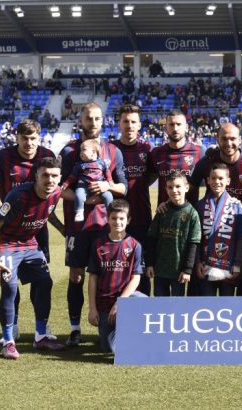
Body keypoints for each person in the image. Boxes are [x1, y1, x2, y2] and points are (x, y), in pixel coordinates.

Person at [0, 119, 62, 345]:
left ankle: (41, 327)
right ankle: (14, 323)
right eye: (24, 138)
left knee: (41, 279)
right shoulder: (3, 157)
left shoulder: (47, 155)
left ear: (40, 138)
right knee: (11, 281)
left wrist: (63, 228)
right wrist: (5, 212)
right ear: (16, 137)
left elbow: (54, 197)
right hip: (10, 228)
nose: (29, 143)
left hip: (37, 231)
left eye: (33, 139)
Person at [60, 102, 128, 347]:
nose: (93, 123)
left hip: (105, 228)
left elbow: (123, 188)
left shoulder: (113, 151)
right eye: (89, 118)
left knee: (108, 277)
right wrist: (88, 198)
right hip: (78, 228)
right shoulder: (69, 152)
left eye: (97, 118)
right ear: (81, 121)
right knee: (76, 276)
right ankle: (75, 329)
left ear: (103, 121)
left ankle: (112, 327)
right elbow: (59, 190)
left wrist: (107, 187)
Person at [189, 123, 242, 296]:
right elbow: (191, 189)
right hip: (209, 228)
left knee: (241, 273)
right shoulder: (208, 161)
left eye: (232, 138)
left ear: (240, 139)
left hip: (239, 226)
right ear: (217, 139)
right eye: (224, 138)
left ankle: (241, 316)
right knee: (204, 277)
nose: (228, 143)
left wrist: (238, 206)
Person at [87, 200, 144, 353]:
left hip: (125, 301)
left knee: (142, 300)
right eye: (114, 218)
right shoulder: (98, 245)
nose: (117, 222)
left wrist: (120, 303)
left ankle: (133, 331)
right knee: (109, 349)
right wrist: (92, 308)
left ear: (128, 220)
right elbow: (93, 278)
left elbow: (136, 277)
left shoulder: (135, 245)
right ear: (107, 218)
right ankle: (114, 331)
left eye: (121, 218)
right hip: (105, 303)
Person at [113, 104, 154, 296]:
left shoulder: (147, 149)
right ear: (119, 124)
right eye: (125, 121)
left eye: (133, 122)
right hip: (117, 220)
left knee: (143, 269)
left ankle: (142, 314)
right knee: (117, 269)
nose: (129, 125)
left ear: (139, 125)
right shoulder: (111, 149)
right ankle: (116, 316)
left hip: (142, 218)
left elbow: (152, 175)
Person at [146, 171, 201, 297]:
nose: (174, 190)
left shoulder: (192, 214)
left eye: (178, 186)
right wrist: (149, 264)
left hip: (178, 272)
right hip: (160, 270)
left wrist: (187, 270)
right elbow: (152, 238)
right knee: (160, 304)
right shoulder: (162, 211)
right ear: (166, 189)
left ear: (186, 188)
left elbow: (194, 244)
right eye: (170, 187)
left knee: (177, 307)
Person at [195, 163, 242, 296]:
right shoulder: (200, 206)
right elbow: (195, 238)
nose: (217, 181)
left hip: (228, 266)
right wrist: (197, 261)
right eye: (213, 178)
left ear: (228, 181)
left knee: (226, 306)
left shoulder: (235, 206)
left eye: (221, 178)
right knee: (207, 306)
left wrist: (237, 264)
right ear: (208, 180)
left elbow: (240, 238)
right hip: (206, 264)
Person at [149, 110, 205, 206]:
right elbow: (147, 180)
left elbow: (209, 184)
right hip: (164, 215)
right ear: (165, 128)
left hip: (190, 216)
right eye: (171, 124)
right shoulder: (156, 153)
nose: (175, 128)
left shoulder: (199, 152)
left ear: (186, 128)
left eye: (179, 124)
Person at [62, 139, 114, 222]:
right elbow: (72, 176)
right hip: (83, 185)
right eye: (80, 150)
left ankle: (110, 213)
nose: (81, 152)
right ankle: (79, 212)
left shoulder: (102, 163)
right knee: (79, 195)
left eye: (84, 150)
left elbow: (107, 172)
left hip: (99, 186)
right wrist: (66, 184)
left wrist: (109, 181)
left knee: (108, 196)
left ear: (94, 152)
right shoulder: (80, 164)